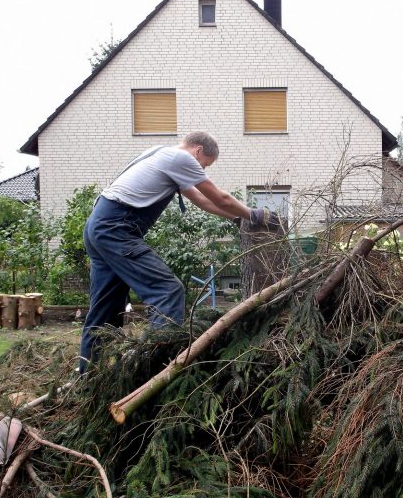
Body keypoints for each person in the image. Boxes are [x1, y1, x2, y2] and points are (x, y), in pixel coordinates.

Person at [79, 131, 277, 374]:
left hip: (98, 226)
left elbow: (201, 201)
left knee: (103, 310)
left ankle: (87, 377)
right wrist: (255, 214)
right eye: (206, 165)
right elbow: (220, 197)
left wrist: (237, 217)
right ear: (198, 151)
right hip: (116, 228)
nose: (203, 169)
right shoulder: (181, 159)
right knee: (167, 290)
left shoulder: (158, 153)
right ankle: (159, 372)